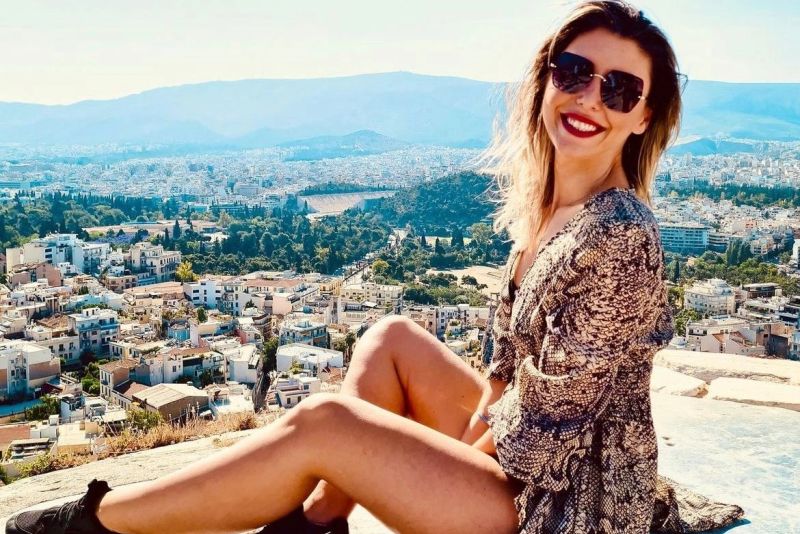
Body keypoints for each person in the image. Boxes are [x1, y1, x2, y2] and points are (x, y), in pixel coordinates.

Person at [7, 1, 744, 533]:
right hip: (532, 460)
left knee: (327, 424)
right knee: (389, 338)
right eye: (574, 72)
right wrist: (432, 459)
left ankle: (97, 523)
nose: (589, 98)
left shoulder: (618, 234)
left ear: (644, 117)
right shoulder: (552, 209)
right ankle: (319, 520)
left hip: (568, 505)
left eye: (620, 88)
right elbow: (502, 374)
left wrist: (430, 462)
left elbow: (552, 425)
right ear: (547, 80)